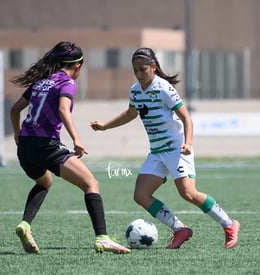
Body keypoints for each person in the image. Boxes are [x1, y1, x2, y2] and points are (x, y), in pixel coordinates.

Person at [91, 47, 240, 249]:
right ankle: (180, 230)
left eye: (142, 69)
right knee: (141, 195)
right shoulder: (135, 91)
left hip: (176, 149)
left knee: (188, 193)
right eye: (135, 70)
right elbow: (130, 114)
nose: (139, 74)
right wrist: (105, 126)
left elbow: (186, 118)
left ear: (153, 67)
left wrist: (188, 143)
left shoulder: (164, 88)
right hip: (157, 151)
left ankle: (229, 224)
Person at [10, 41, 130, 254]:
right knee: (91, 183)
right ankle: (102, 238)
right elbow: (64, 110)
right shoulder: (66, 83)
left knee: (44, 182)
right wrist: (77, 139)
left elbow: (14, 109)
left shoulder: (41, 81)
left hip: (26, 146)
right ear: (78, 66)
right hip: (46, 145)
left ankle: (25, 225)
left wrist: (17, 133)